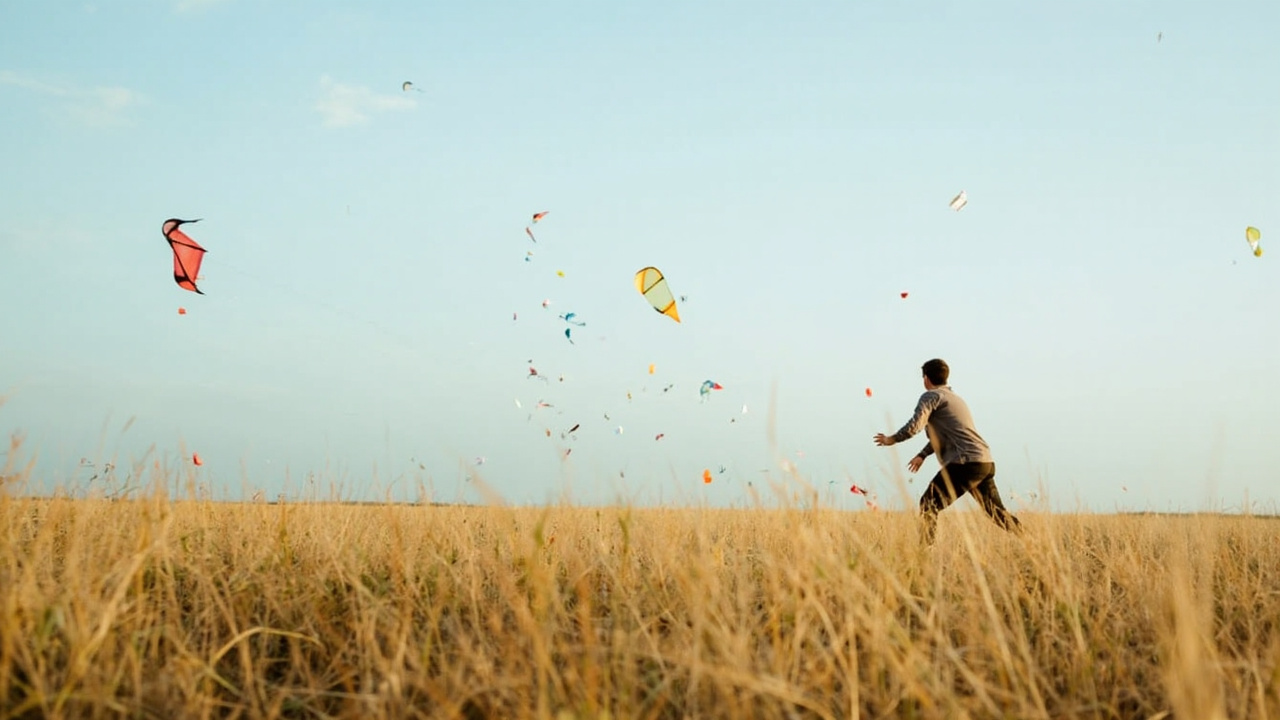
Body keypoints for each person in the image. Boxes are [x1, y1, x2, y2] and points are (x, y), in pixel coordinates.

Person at [873, 358, 1022, 544]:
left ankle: (923, 553)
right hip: (983, 462)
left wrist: (891, 439)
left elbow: (915, 426)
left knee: (928, 504)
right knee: (997, 513)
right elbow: (945, 437)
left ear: (926, 378)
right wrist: (922, 455)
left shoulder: (931, 396)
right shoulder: (954, 399)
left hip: (965, 463)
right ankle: (1034, 542)